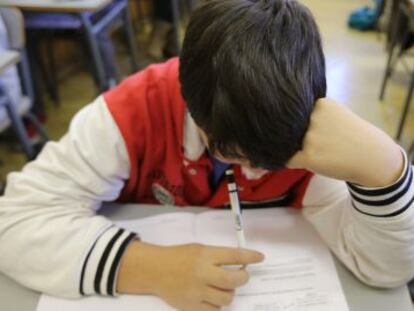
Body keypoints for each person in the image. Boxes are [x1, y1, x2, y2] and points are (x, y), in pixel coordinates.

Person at [1, 1, 414, 311]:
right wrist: (148, 267)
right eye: (233, 153)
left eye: (273, 160)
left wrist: (384, 170)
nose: (253, 171)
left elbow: (386, 270)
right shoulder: (133, 110)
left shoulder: (306, 128)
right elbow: (15, 222)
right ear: (192, 108)